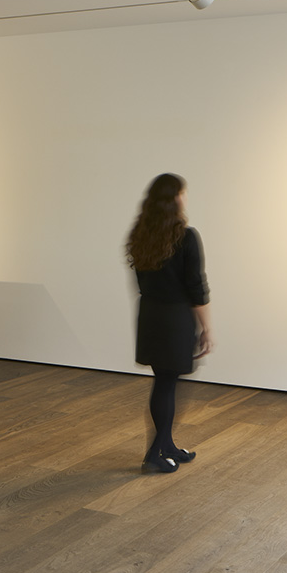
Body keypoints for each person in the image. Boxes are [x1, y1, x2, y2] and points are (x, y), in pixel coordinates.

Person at [126, 173, 213, 473]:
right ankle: (154, 454)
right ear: (175, 198)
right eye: (183, 193)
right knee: (167, 384)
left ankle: (167, 446)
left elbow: (141, 282)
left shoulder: (140, 236)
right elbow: (197, 288)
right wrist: (207, 328)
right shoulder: (186, 237)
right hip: (175, 318)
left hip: (150, 315)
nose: (185, 198)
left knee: (164, 382)